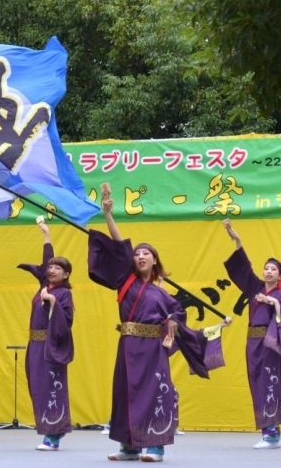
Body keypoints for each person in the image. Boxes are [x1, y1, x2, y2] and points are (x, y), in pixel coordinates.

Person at [87, 186, 209, 463]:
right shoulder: (125, 281)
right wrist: (108, 215)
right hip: (128, 345)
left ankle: (156, 447)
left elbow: (178, 313)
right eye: (138, 253)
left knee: (154, 391)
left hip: (153, 349)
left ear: (154, 261)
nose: (140, 256)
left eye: (146, 254)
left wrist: (172, 322)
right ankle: (129, 447)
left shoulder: (162, 293)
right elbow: (119, 248)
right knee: (125, 392)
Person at [222, 219, 281, 449]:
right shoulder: (255, 288)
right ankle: (268, 431)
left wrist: (273, 302)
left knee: (269, 382)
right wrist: (237, 240)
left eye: (273, 269)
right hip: (252, 343)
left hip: (270, 342)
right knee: (257, 382)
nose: (268, 271)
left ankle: (272, 433)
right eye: (266, 267)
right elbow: (244, 269)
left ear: (280, 276)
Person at [17, 219, 74, 451]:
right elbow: (46, 259)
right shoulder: (45, 287)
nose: (51, 270)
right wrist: (46, 235)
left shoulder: (63, 295)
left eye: (57, 268)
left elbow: (66, 322)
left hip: (51, 347)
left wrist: (53, 303)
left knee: (52, 387)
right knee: (38, 387)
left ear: (66, 274)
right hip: (35, 345)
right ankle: (50, 429)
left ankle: (53, 435)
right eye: (50, 268)